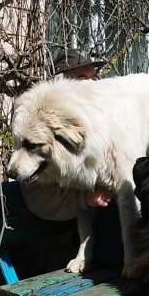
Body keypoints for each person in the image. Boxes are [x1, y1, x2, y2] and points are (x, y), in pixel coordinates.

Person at [19, 49, 115, 221]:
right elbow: (39, 198)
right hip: (69, 227)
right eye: (81, 78)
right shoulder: (42, 126)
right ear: (61, 83)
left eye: (94, 77)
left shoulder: (104, 116)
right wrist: (85, 199)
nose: (91, 84)